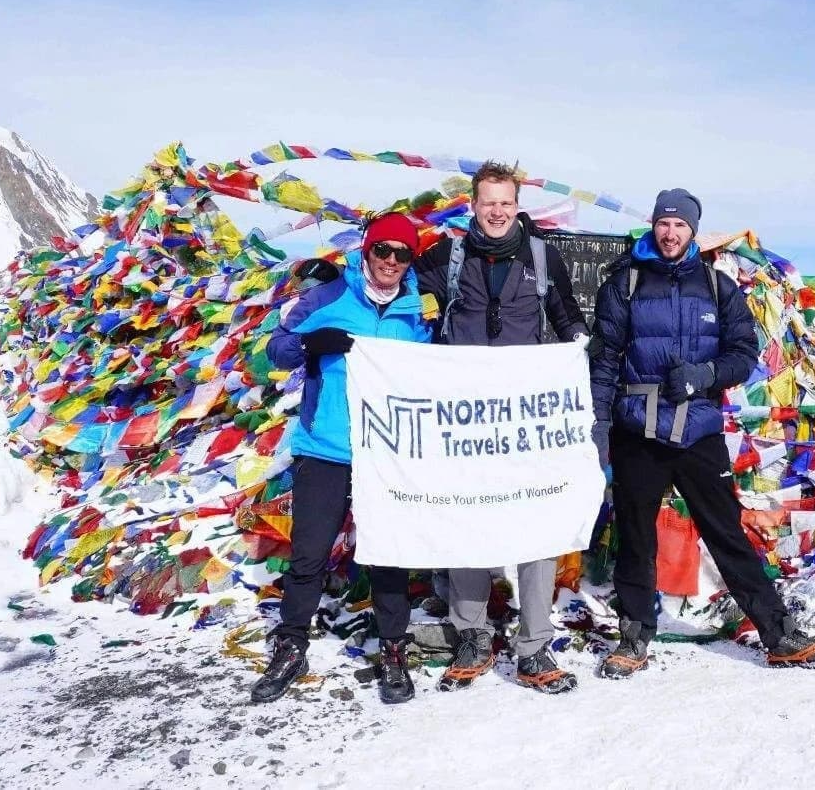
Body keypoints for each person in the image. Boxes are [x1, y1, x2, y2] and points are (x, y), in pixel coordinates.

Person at [589, 188, 815, 677]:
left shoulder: (719, 288)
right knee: (636, 538)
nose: (670, 232)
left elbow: (743, 354)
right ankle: (634, 637)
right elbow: (604, 359)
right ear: (654, 226)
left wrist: (705, 376)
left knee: (726, 532)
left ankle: (778, 632)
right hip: (638, 426)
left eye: (680, 225)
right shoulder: (625, 282)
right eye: (664, 223)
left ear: (693, 232)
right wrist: (599, 425)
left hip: (698, 428)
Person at [414, 160, 590, 694]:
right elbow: (396, 295)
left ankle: (535, 647)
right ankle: (471, 635)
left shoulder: (542, 256)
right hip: (464, 419)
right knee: (467, 520)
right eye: (488, 202)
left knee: (535, 522)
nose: (496, 212)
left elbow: (567, 319)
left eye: (506, 203)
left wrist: (579, 352)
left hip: (526, 419)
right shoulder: (445, 257)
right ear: (474, 204)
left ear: (518, 206)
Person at [250, 211, 433, 705]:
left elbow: (433, 375)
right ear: (368, 250)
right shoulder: (329, 294)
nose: (391, 261)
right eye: (383, 250)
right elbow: (273, 351)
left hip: (385, 452)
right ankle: (290, 644)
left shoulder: (418, 310)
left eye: (402, 253)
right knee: (309, 553)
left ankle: (393, 646)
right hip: (325, 445)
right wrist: (312, 341)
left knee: (387, 553)